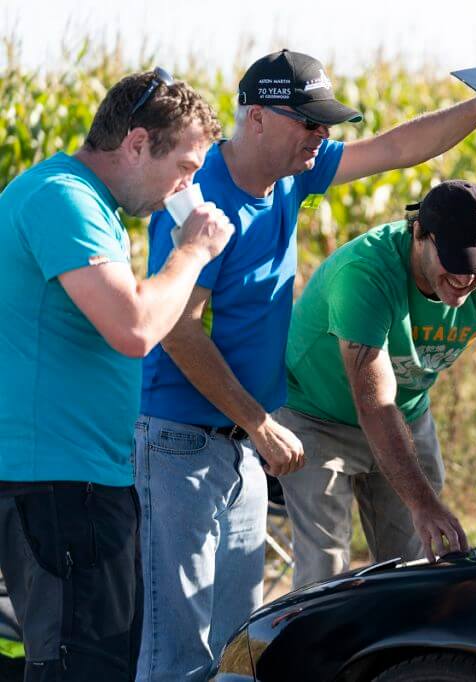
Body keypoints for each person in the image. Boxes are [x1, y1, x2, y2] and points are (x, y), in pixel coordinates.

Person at [135, 50, 476, 681]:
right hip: (182, 441)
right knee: (179, 655)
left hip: (243, 442)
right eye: (309, 122)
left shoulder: (292, 176)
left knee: (237, 650)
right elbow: (178, 330)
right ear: (256, 117)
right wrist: (261, 423)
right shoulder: (198, 200)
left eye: (326, 124)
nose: (321, 136)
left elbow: (398, 149)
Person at [0, 68, 232, 681]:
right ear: (136, 143)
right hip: (58, 484)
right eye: (185, 167)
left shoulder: (84, 201)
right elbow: (133, 328)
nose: (188, 186)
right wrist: (192, 251)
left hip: (82, 479)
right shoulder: (62, 198)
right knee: (82, 668)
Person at [277, 180, 476, 587]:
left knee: (415, 565)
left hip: (405, 414)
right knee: (325, 567)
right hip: (315, 413)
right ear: (420, 233)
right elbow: (374, 403)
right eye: (455, 260)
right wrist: (424, 503)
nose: (466, 277)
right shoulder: (365, 274)